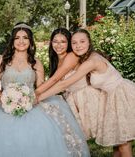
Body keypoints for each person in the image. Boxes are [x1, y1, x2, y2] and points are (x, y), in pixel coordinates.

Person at [0, 22, 90, 157]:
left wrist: (30, 97)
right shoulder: (2, 61)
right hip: (3, 105)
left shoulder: (36, 63)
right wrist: (4, 98)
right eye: (17, 38)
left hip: (31, 105)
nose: (21, 41)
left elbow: (40, 86)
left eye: (25, 38)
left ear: (30, 41)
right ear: (12, 41)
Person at [38, 28, 135, 157]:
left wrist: (37, 97)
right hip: (111, 96)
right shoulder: (86, 57)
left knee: (123, 144)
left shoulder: (91, 61)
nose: (78, 46)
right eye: (74, 43)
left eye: (82, 42)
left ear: (89, 42)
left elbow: (63, 83)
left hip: (121, 95)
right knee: (117, 143)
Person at [35, 27, 105, 140]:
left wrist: (34, 94)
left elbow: (55, 80)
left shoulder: (72, 56)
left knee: (109, 137)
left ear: (68, 43)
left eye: (63, 42)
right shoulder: (56, 60)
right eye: (55, 41)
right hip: (72, 99)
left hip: (85, 98)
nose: (58, 45)